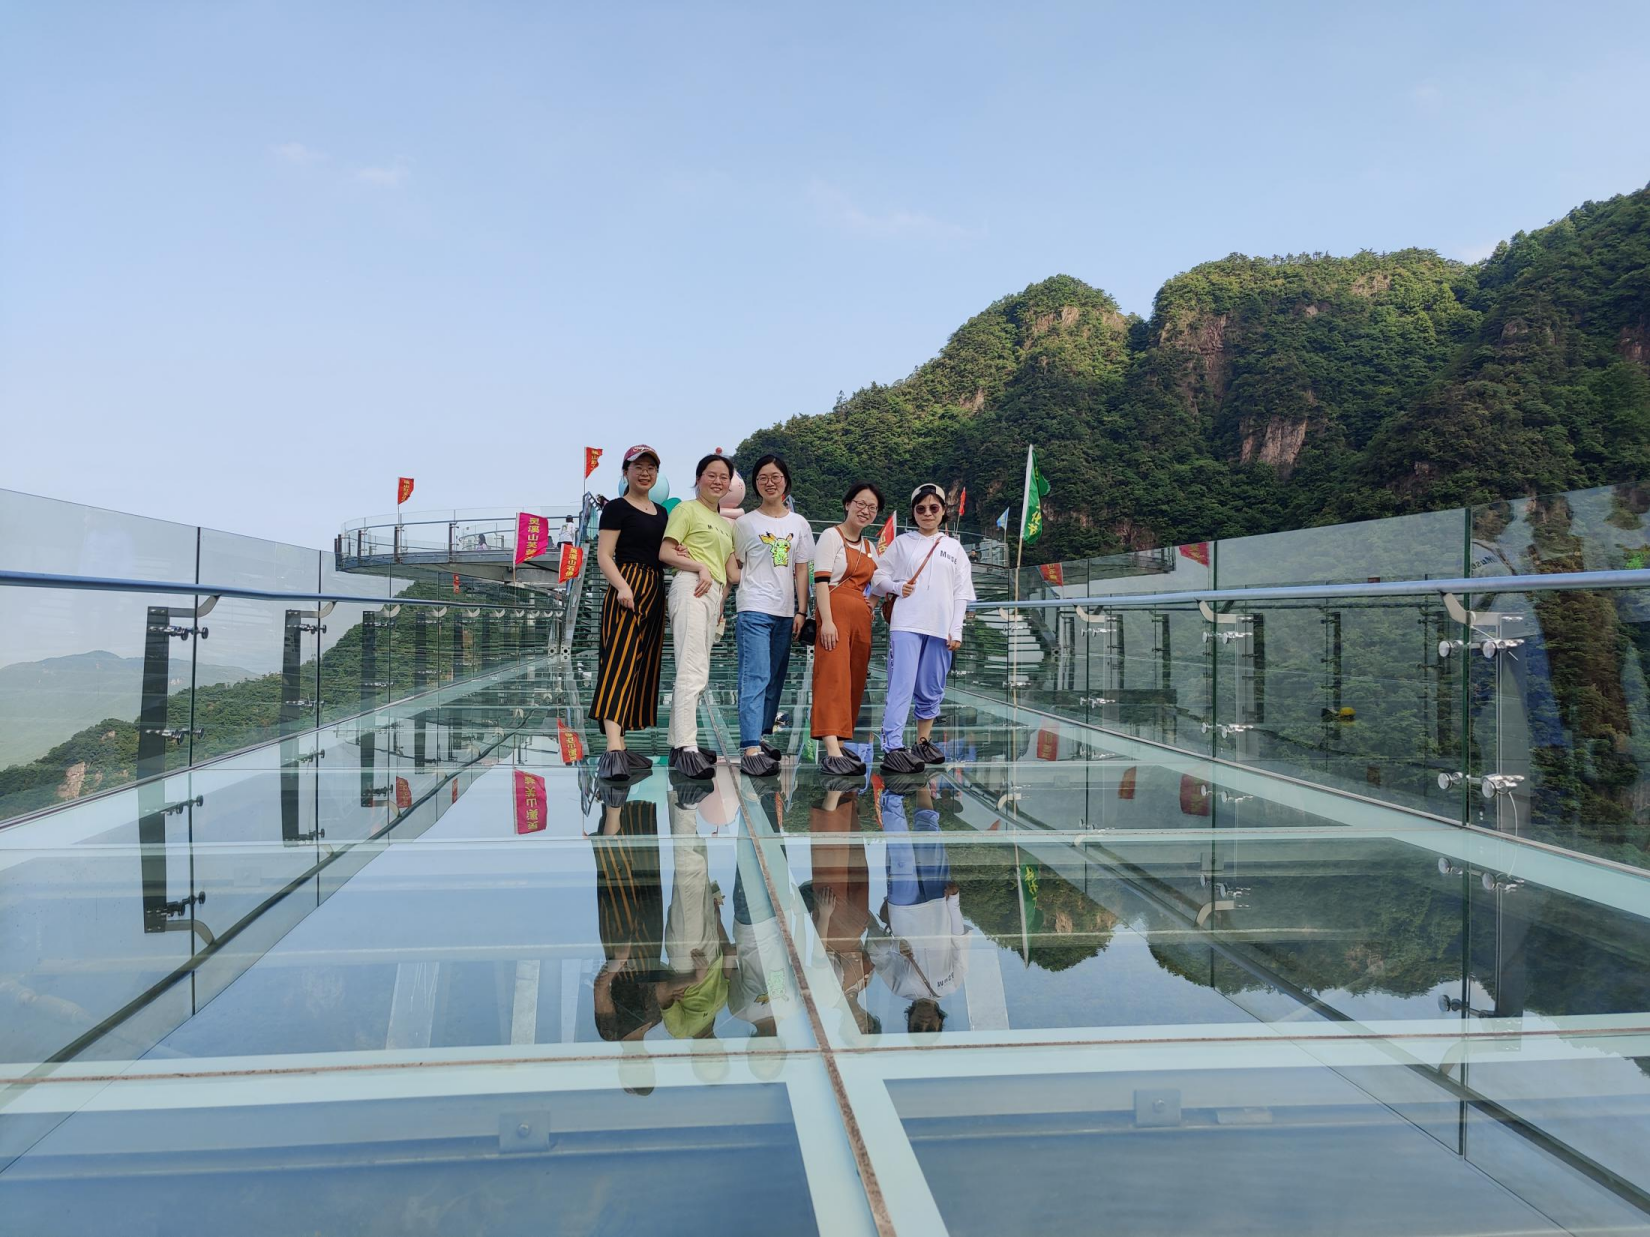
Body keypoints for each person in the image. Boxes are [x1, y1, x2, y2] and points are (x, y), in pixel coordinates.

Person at [875, 483, 976, 774]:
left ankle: (922, 741)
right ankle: (893, 746)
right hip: (906, 623)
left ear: (943, 511)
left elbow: (961, 592)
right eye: (921, 508)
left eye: (934, 508)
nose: (927, 513)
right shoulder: (902, 543)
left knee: (931, 687)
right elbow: (878, 576)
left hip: (940, 627)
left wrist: (956, 629)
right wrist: (896, 587)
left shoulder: (954, 548)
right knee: (902, 685)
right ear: (914, 512)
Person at [588, 445, 668, 783]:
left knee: (641, 666)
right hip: (628, 587)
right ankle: (612, 748)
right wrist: (622, 587)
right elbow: (604, 555)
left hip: (655, 588)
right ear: (626, 472)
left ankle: (622, 744)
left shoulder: (662, 513)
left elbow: (662, 553)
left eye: (651, 467)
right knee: (618, 664)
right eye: (638, 467)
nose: (645, 473)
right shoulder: (616, 508)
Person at [732, 454, 815, 778]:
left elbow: (801, 569)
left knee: (775, 677)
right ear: (755, 484)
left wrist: (801, 610)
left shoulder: (799, 524)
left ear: (785, 481)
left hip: (784, 611)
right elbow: (736, 562)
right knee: (755, 675)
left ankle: (761, 736)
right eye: (763, 477)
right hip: (753, 607)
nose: (769, 482)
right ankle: (750, 748)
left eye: (775, 476)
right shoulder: (745, 523)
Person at [867, 774, 969, 1034]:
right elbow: (959, 942)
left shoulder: (899, 988)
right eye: (930, 1028)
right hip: (939, 904)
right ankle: (922, 780)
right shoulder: (952, 984)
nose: (923, 1023)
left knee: (900, 851)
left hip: (904, 909)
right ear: (939, 1023)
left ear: (909, 1021)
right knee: (929, 838)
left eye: (916, 1027)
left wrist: (894, 946)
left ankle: (894, 789)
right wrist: (954, 903)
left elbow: (874, 952)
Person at [660, 453, 740, 780]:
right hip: (691, 586)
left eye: (724, 477)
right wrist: (699, 566)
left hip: (714, 595)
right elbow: (666, 551)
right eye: (711, 475)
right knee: (691, 669)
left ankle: (679, 744)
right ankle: (687, 746)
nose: (718, 481)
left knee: (699, 672)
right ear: (698, 478)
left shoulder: (725, 524)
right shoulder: (686, 510)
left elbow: (732, 573)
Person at [812, 482, 891, 776]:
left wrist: (871, 603)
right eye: (860, 503)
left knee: (854, 679)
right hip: (834, 611)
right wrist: (827, 620)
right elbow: (820, 582)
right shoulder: (831, 536)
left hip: (860, 617)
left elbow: (880, 581)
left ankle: (843, 741)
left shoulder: (870, 548)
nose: (865, 510)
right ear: (847, 504)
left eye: (872, 507)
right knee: (832, 676)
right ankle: (831, 747)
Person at [590, 784, 666, 1042]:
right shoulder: (655, 1020)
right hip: (650, 948)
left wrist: (616, 963)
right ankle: (635, 793)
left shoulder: (612, 1032)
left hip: (622, 956)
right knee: (646, 870)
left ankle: (614, 801)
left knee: (617, 877)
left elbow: (600, 989)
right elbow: (661, 988)